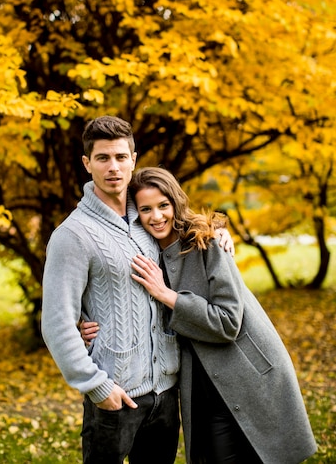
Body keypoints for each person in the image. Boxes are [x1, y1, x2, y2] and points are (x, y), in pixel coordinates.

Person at [41, 116, 233, 464]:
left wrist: (218, 232)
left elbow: (191, 228)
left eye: (120, 157)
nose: (113, 167)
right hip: (116, 399)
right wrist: (98, 388)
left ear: (133, 159)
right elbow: (56, 323)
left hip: (166, 395)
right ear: (87, 164)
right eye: (102, 158)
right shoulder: (72, 236)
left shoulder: (151, 218)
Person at [126, 167, 317, 464]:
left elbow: (228, 321)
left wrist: (169, 296)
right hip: (200, 386)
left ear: (176, 202)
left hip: (246, 375)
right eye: (145, 209)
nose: (157, 216)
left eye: (163, 205)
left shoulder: (207, 242)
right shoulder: (145, 255)